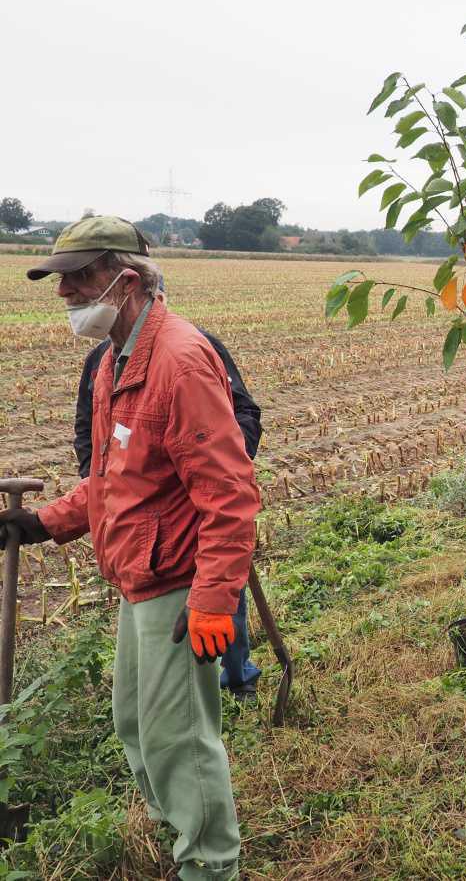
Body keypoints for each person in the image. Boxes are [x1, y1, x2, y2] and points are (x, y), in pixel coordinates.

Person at [0, 216, 258, 880]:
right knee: (136, 729)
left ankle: (209, 866)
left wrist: (212, 600)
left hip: (176, 581)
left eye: (80, 276)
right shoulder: (115, 359)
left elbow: (229, 494)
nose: (64, 292)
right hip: (138, 579)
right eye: (61, 278)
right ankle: (186, 839)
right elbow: (117, 478)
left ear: (130, 279)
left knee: (178, 739)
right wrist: (46, 523)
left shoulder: (178, 360)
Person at [74, 277, 263, 698]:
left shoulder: (191, 352)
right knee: (151, 711)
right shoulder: (103, 361)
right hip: (140, 539)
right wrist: (96, 488)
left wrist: (206, 469)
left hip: (190, 525)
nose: (65, 291)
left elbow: (245, 416)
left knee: (219, 599)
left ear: (141, 292)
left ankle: (240, 677)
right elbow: (91, 433)